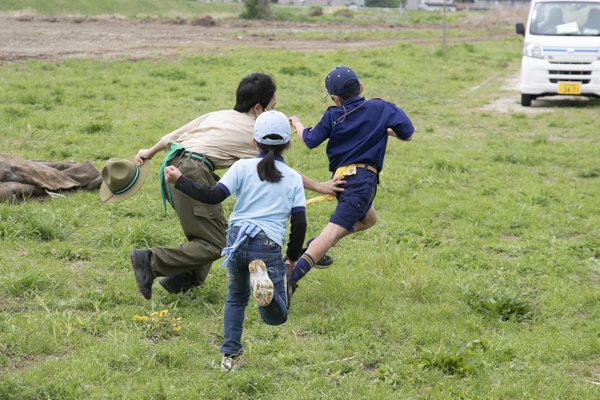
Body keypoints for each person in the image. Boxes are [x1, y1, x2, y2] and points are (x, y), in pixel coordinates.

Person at [130, 72, 338, 300]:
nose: (272, 113)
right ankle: (150, 261)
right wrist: (320, 187)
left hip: (175, 165)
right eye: (272, 107)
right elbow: (285, 172)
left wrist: (148, 152)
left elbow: (175, 135)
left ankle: (182, 278)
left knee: (218, 232)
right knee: (216, 243)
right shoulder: (255, 131)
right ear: (258, 108)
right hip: (192, 171)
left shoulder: (218, 115)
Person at [164, 110, 305, 372]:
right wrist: (293, 256)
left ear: (254, 142)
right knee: (277, 316)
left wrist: (180, 180)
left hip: (237, 244)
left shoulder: (241, 167)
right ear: (288, 144)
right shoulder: (294, 178)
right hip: (267, 246)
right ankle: (266, 294)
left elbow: (212, 196)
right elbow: (300, 224)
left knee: (236, 299)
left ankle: (229, 356)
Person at [287, 65, 414, 299]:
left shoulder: (332, 115)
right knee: (333, 233)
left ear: (334, 98)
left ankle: (316, 244)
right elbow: (408, 133)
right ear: (361, 87)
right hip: (361, 181)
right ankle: (289, 278)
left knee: (369, 219)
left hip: (343, 179)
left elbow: (310, 140)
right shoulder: (381, 107)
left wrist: (297, 123)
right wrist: (384, 128)